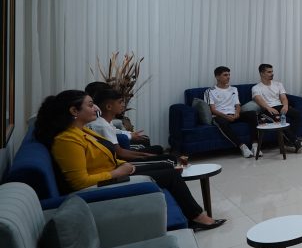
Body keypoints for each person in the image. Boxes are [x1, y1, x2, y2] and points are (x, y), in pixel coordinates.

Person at [37, 90, 225, 230]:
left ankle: (195, 214)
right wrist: (116, 172)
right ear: (74, 110)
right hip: (106, 182)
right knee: (170, 174)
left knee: (168, 168)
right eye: (90, 104)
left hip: (116, 171)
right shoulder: (66, 140)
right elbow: (78, 182)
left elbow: (107, 153)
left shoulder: (81, 130)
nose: (95, 108)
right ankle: (198, 217)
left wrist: (122, 166)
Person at [86, 86, 171, 161]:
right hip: (117, 164)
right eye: (120, 102)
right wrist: (146, 156)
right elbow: (120, 154)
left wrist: (145, 155)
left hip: (118, 158)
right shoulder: (103, 126)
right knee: (169, 159)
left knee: (159, 151)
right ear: (109, 107)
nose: (123, 105)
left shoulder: (104, 121)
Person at [205, 66, 256, 157]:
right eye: (225, 75)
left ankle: (255, 145)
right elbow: (213, 110)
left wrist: (237, 113)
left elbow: (238, 105)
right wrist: (226, 116)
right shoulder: (210, 91)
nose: (228, 77)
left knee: (252, 114)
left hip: (234, 115)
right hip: (221, 116)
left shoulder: (233, 89)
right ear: (217, 77)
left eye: (229, 75)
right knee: (221, 121)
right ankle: (242, 147)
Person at [251, 64, 302, 152]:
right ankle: (295, 141)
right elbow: (258, 99)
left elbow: (283, 98)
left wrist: (285, 106)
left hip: (280, 106)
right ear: (262, 73)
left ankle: (288, 142)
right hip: (267, 109)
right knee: (278, 120)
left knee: (297, 114)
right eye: (269, 72)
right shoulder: (256, 88)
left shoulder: (278, 84)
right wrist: (268, 108)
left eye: (272, 71)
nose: (272, 74)